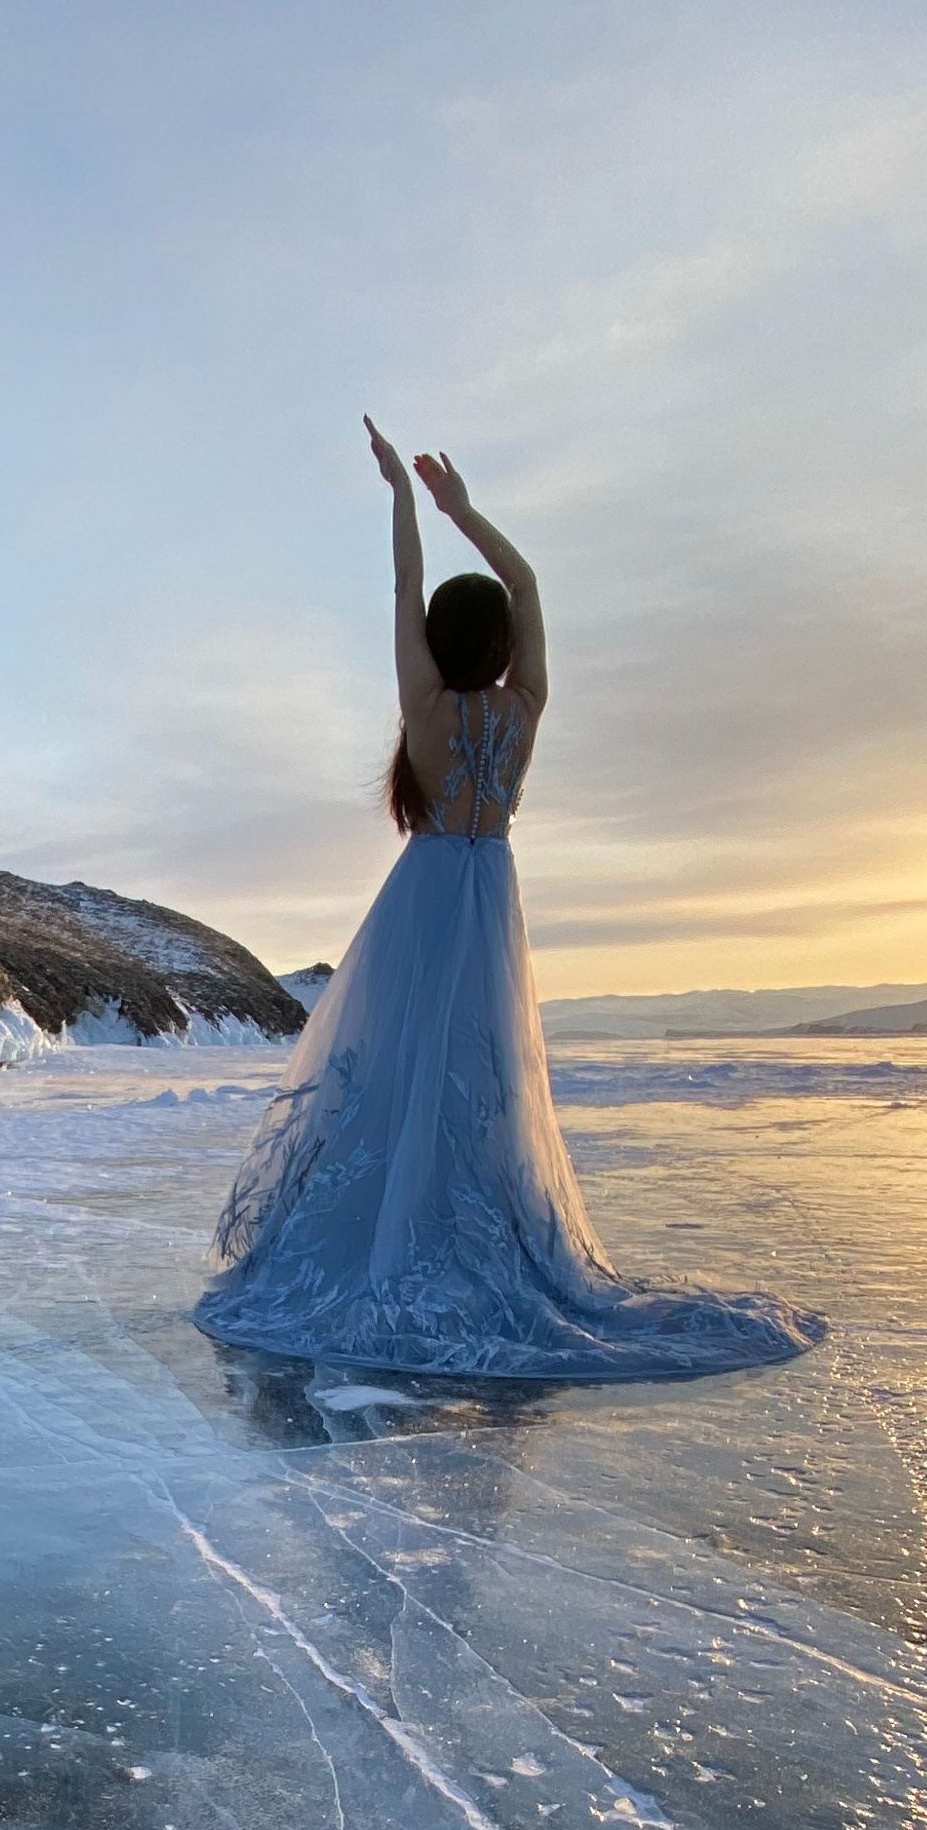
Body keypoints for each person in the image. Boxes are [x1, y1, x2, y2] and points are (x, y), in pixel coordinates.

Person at [193, 421, 820, 1382]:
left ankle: (388, 1240)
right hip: (490, 898)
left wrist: (405, 499)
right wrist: (465, 511)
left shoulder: (428, 711)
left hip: (427, 893)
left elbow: (405, 589)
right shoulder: (522, 710)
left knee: (397, 1072)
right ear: (504, 644)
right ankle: (471, 1239)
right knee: (476, 1084)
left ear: (442, 643)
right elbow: (525, 586)